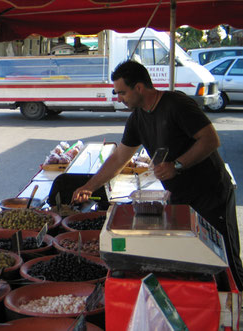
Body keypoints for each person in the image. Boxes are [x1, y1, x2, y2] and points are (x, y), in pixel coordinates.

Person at [72, 60, 243, 290]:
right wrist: (89, 186)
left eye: (122, 92)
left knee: (226, 260)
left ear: (139, 88)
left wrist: (178, 165)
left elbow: (211, 139)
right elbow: (119, 158)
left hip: (211, 195)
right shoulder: (137, 119)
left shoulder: (176, 104)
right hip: (180, 199)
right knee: (195, 262)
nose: (119, 98)